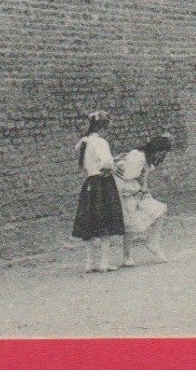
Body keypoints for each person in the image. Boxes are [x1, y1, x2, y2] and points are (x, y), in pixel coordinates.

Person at [72, 111, 126, 272]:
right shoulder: (101, 142)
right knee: (105, 221)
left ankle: (90, 262)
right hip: (103, 183)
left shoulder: (85, 142)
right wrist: (114, 165)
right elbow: (106, 163)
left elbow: (89, 161)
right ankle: (104, 262)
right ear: (104, 126)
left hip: (90, 182)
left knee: (90, 222)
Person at [116, 133, 173, 266]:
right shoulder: (138, 158)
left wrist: (144, 191)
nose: (162, 157)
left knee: (159, 211)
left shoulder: (147, 159)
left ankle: (153, 242)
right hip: (127, 192)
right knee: (130, 225)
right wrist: (139, 189)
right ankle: (126, 256)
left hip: (138, 192)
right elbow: (126, 178)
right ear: (155, 150)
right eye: (161, 153)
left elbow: (143, 178)